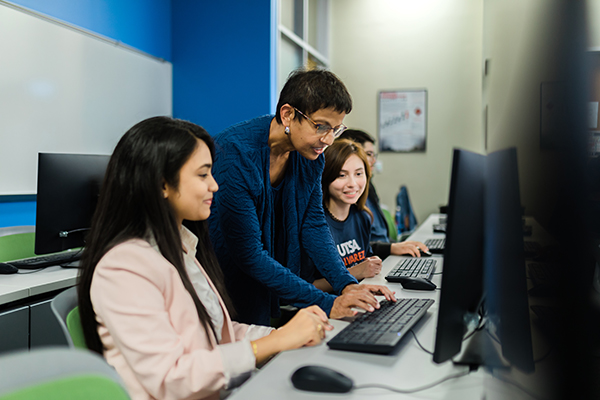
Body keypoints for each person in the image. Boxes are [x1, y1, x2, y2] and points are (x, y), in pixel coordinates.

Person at [77, 117, 332, 400]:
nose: (215, 185)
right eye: (203, 175)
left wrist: (289, 335)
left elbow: (217, 336)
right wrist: (275, 342)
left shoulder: (182, 247)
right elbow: (171, 378)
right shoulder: (125, 267)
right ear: (162, 184)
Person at [208, 68, 395, 326]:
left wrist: (347, 285)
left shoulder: (310, 156)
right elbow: (248, 254)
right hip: (222, 283)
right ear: (288, 114)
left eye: (336, 129)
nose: (328, 139)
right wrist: (329, 303)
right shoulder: (235, 155)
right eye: (320, 126)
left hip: (265, 281)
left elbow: (313, 224)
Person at [338, 129, 427, 258]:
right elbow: (356, 247)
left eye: (374, 155)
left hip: (382, 254)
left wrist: (400, 246)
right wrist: (392, 248)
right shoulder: (348, 194)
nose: (373, 161)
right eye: (369, 154)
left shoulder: (368, 186)